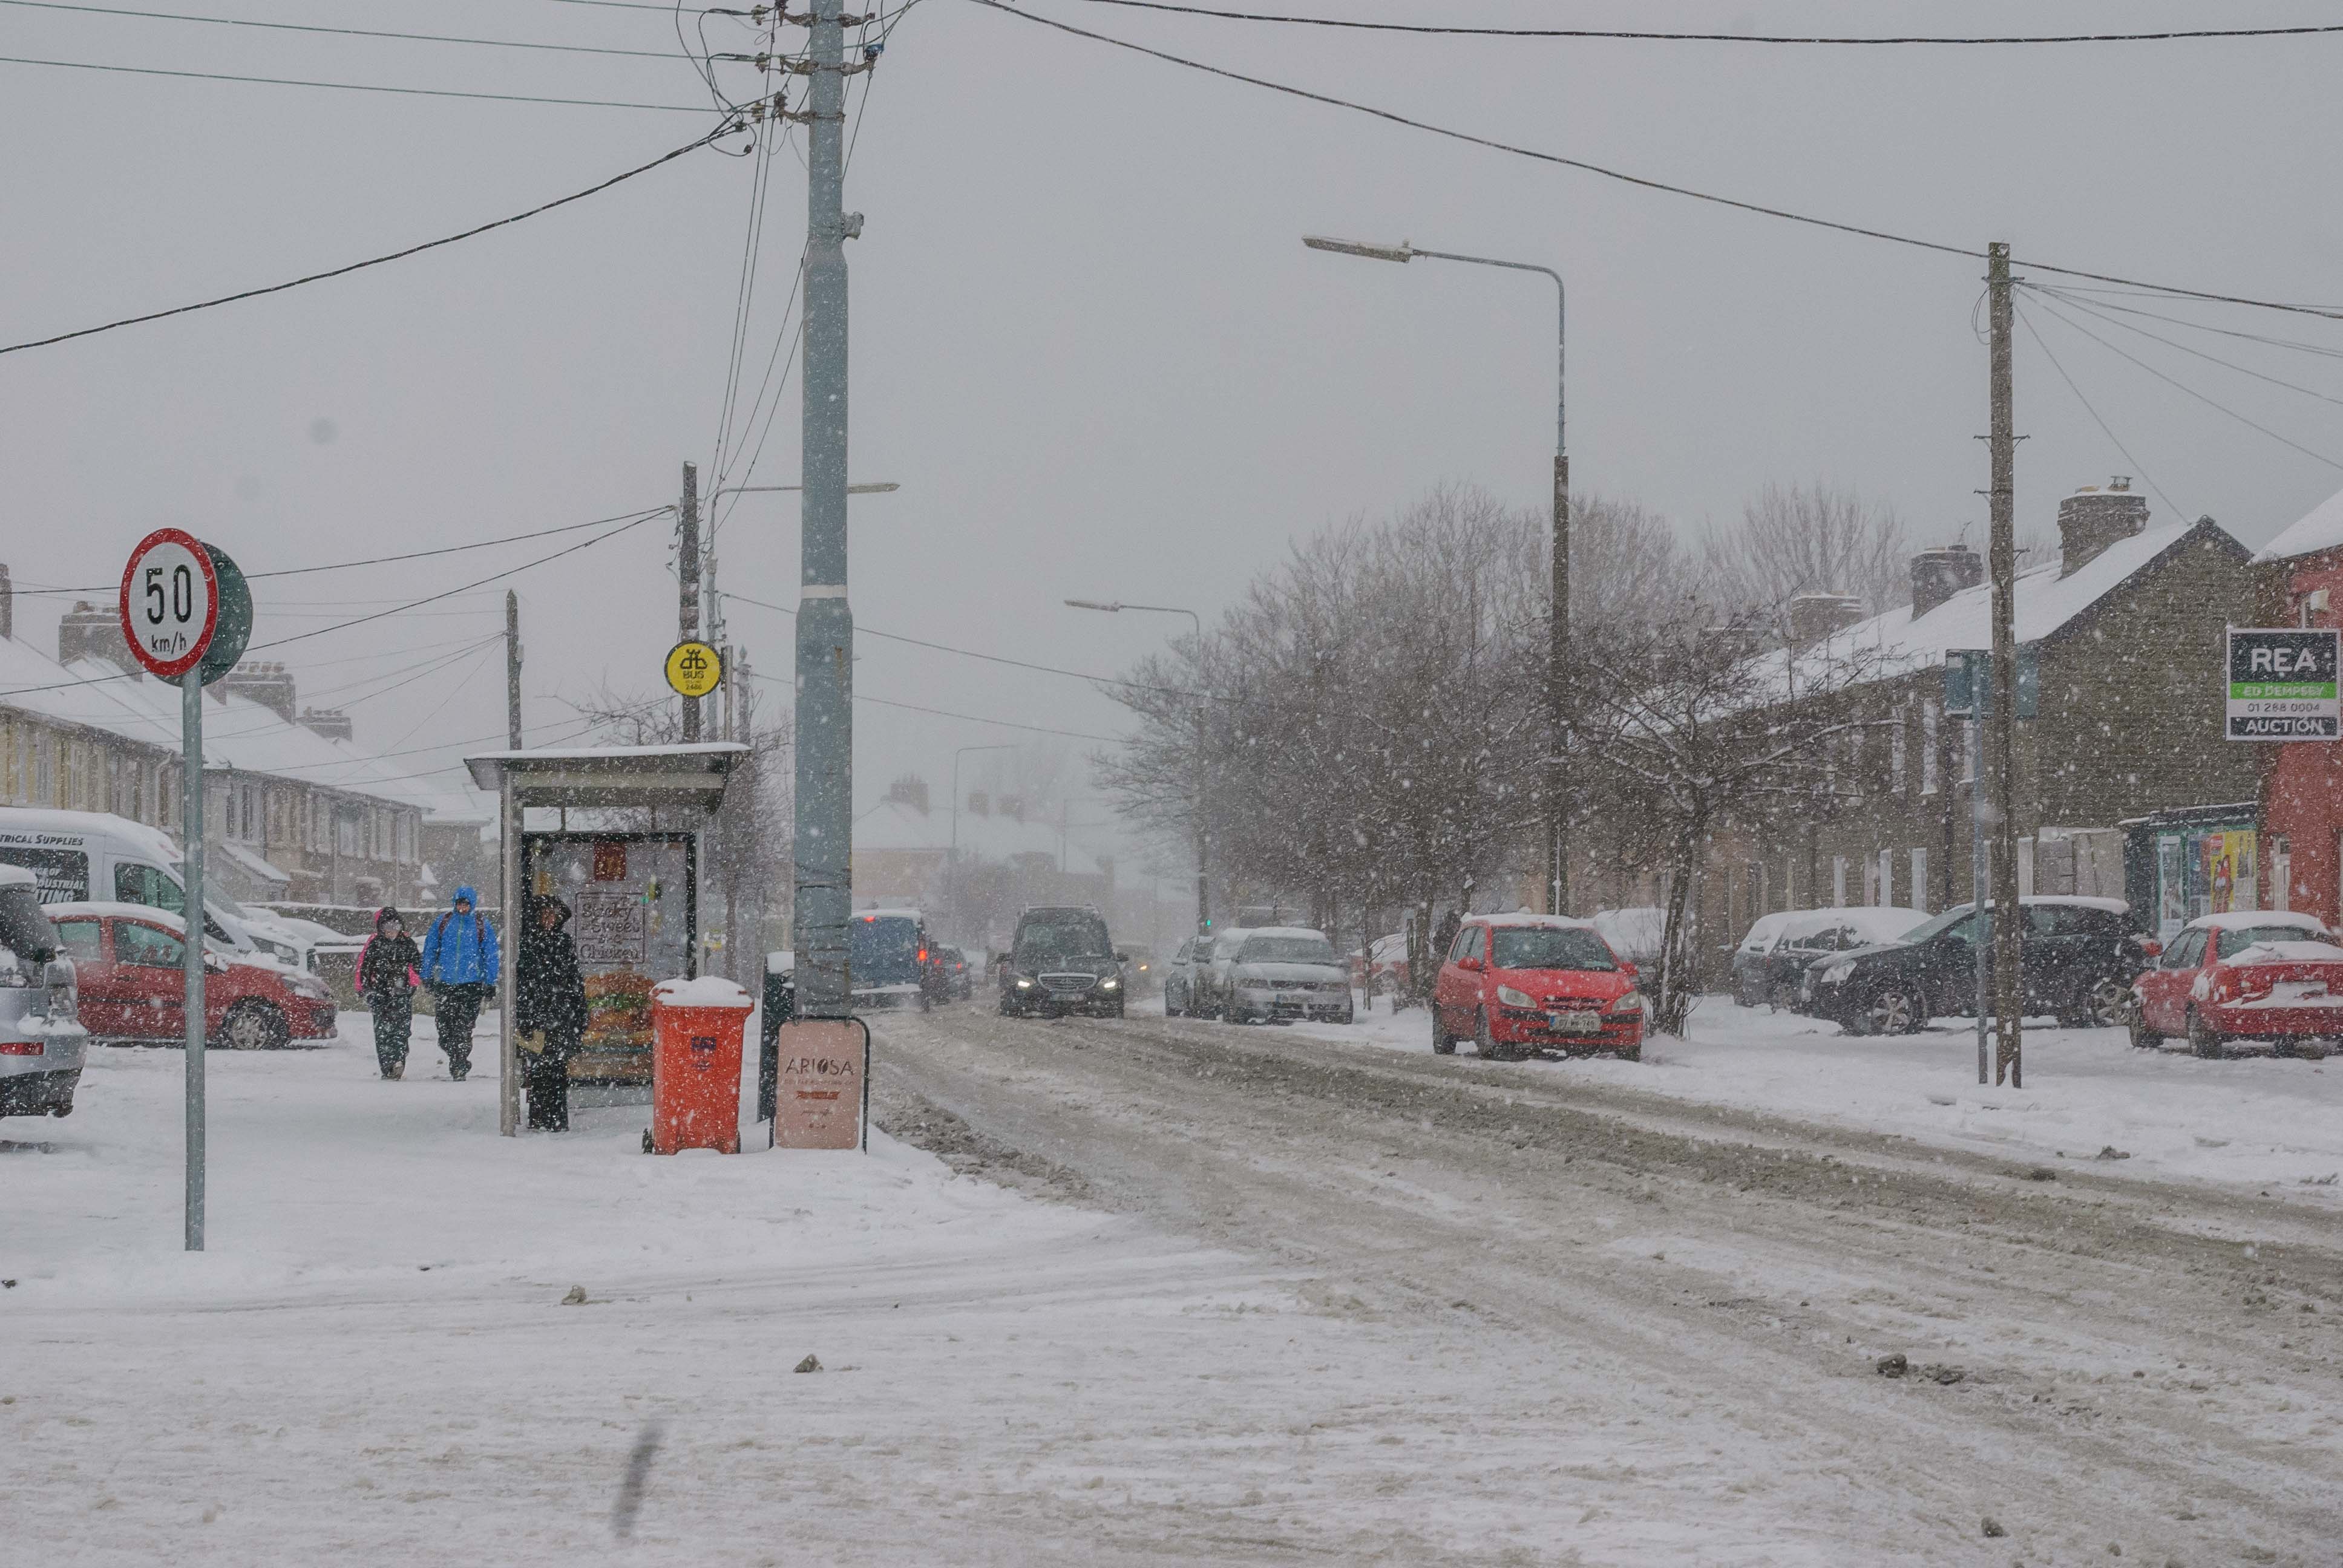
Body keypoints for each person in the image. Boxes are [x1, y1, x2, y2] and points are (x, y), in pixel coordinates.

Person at [516, 894, 587, 1131]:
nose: (549, 920)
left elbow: (574, 980)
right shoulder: (528, 943)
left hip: (561, 1016)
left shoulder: (564, 942)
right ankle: (539, 1118)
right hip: (538, 1017)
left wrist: (580, 1013)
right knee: (538, 1070)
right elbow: (523, 984)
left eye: (552, 915)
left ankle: (557, 1119)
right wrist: (525, 1018)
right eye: (545, 915)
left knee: (558, 1070)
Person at [419, 885, 499, 1082]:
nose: (462, 908)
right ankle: (456, 1055)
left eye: (466, 905)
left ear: (472, 904)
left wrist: (490, 981)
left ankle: (459, 1063)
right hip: (446, 984)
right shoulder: (444, 922)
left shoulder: (481, 924)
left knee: (464, 1028)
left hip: (471, 985)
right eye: (459, 904)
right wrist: (427, 975)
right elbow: (430, 949)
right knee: (444, 1029)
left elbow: (490, 954)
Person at [356, 907, 421, 1080]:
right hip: (380, 995)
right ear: (381, 927)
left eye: (395, 926)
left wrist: (414, 985)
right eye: (387, 926)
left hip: (402, 994)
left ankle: (398, 1060)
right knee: (383, 1033)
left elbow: (418, 966)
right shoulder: (375, 945)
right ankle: (387, 1066)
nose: (391, 930)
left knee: (402, 1030)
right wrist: (366, 989)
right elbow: (365, 968)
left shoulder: (407, 944)